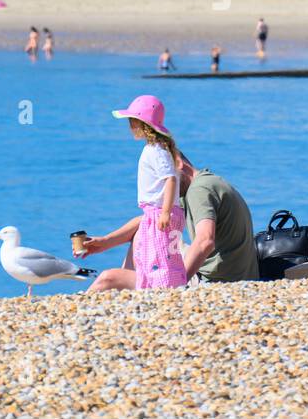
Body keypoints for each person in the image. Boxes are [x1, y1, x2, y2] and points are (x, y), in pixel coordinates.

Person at [81, 153, 258, 289]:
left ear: (178, 164)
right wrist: (105, 242)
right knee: (144, 229)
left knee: (108, 278)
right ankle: (134, 286)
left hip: (217, 282)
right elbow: (147, 221)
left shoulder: (199, 190)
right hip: (235, 273)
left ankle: (124, 290)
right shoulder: (203, 184)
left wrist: (178, 283)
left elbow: (205, 241)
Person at [98, 96, 186, 290]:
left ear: (142, 124)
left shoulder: (156, 150)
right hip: (155, 212)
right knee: (153, 256)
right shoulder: (154, 148)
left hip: (160, 212)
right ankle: (158, 288)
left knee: (162, 258)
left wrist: (165, 212)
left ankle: (164, 289)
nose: (130, 126)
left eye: (131, 122)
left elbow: (170, 178)